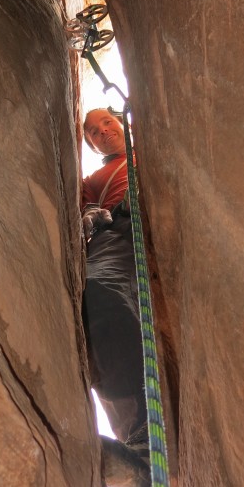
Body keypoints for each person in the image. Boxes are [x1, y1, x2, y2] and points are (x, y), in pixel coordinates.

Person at [81, 108, 147, 449]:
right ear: (92, 146)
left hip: (156, 213)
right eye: (93, 132)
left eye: (107, 122)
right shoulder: (96, 178)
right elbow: (86, 206)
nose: (102, 131)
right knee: (98, 292)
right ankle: (139, 425)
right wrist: (94, 213)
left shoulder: (149, 143)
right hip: (117, 230)